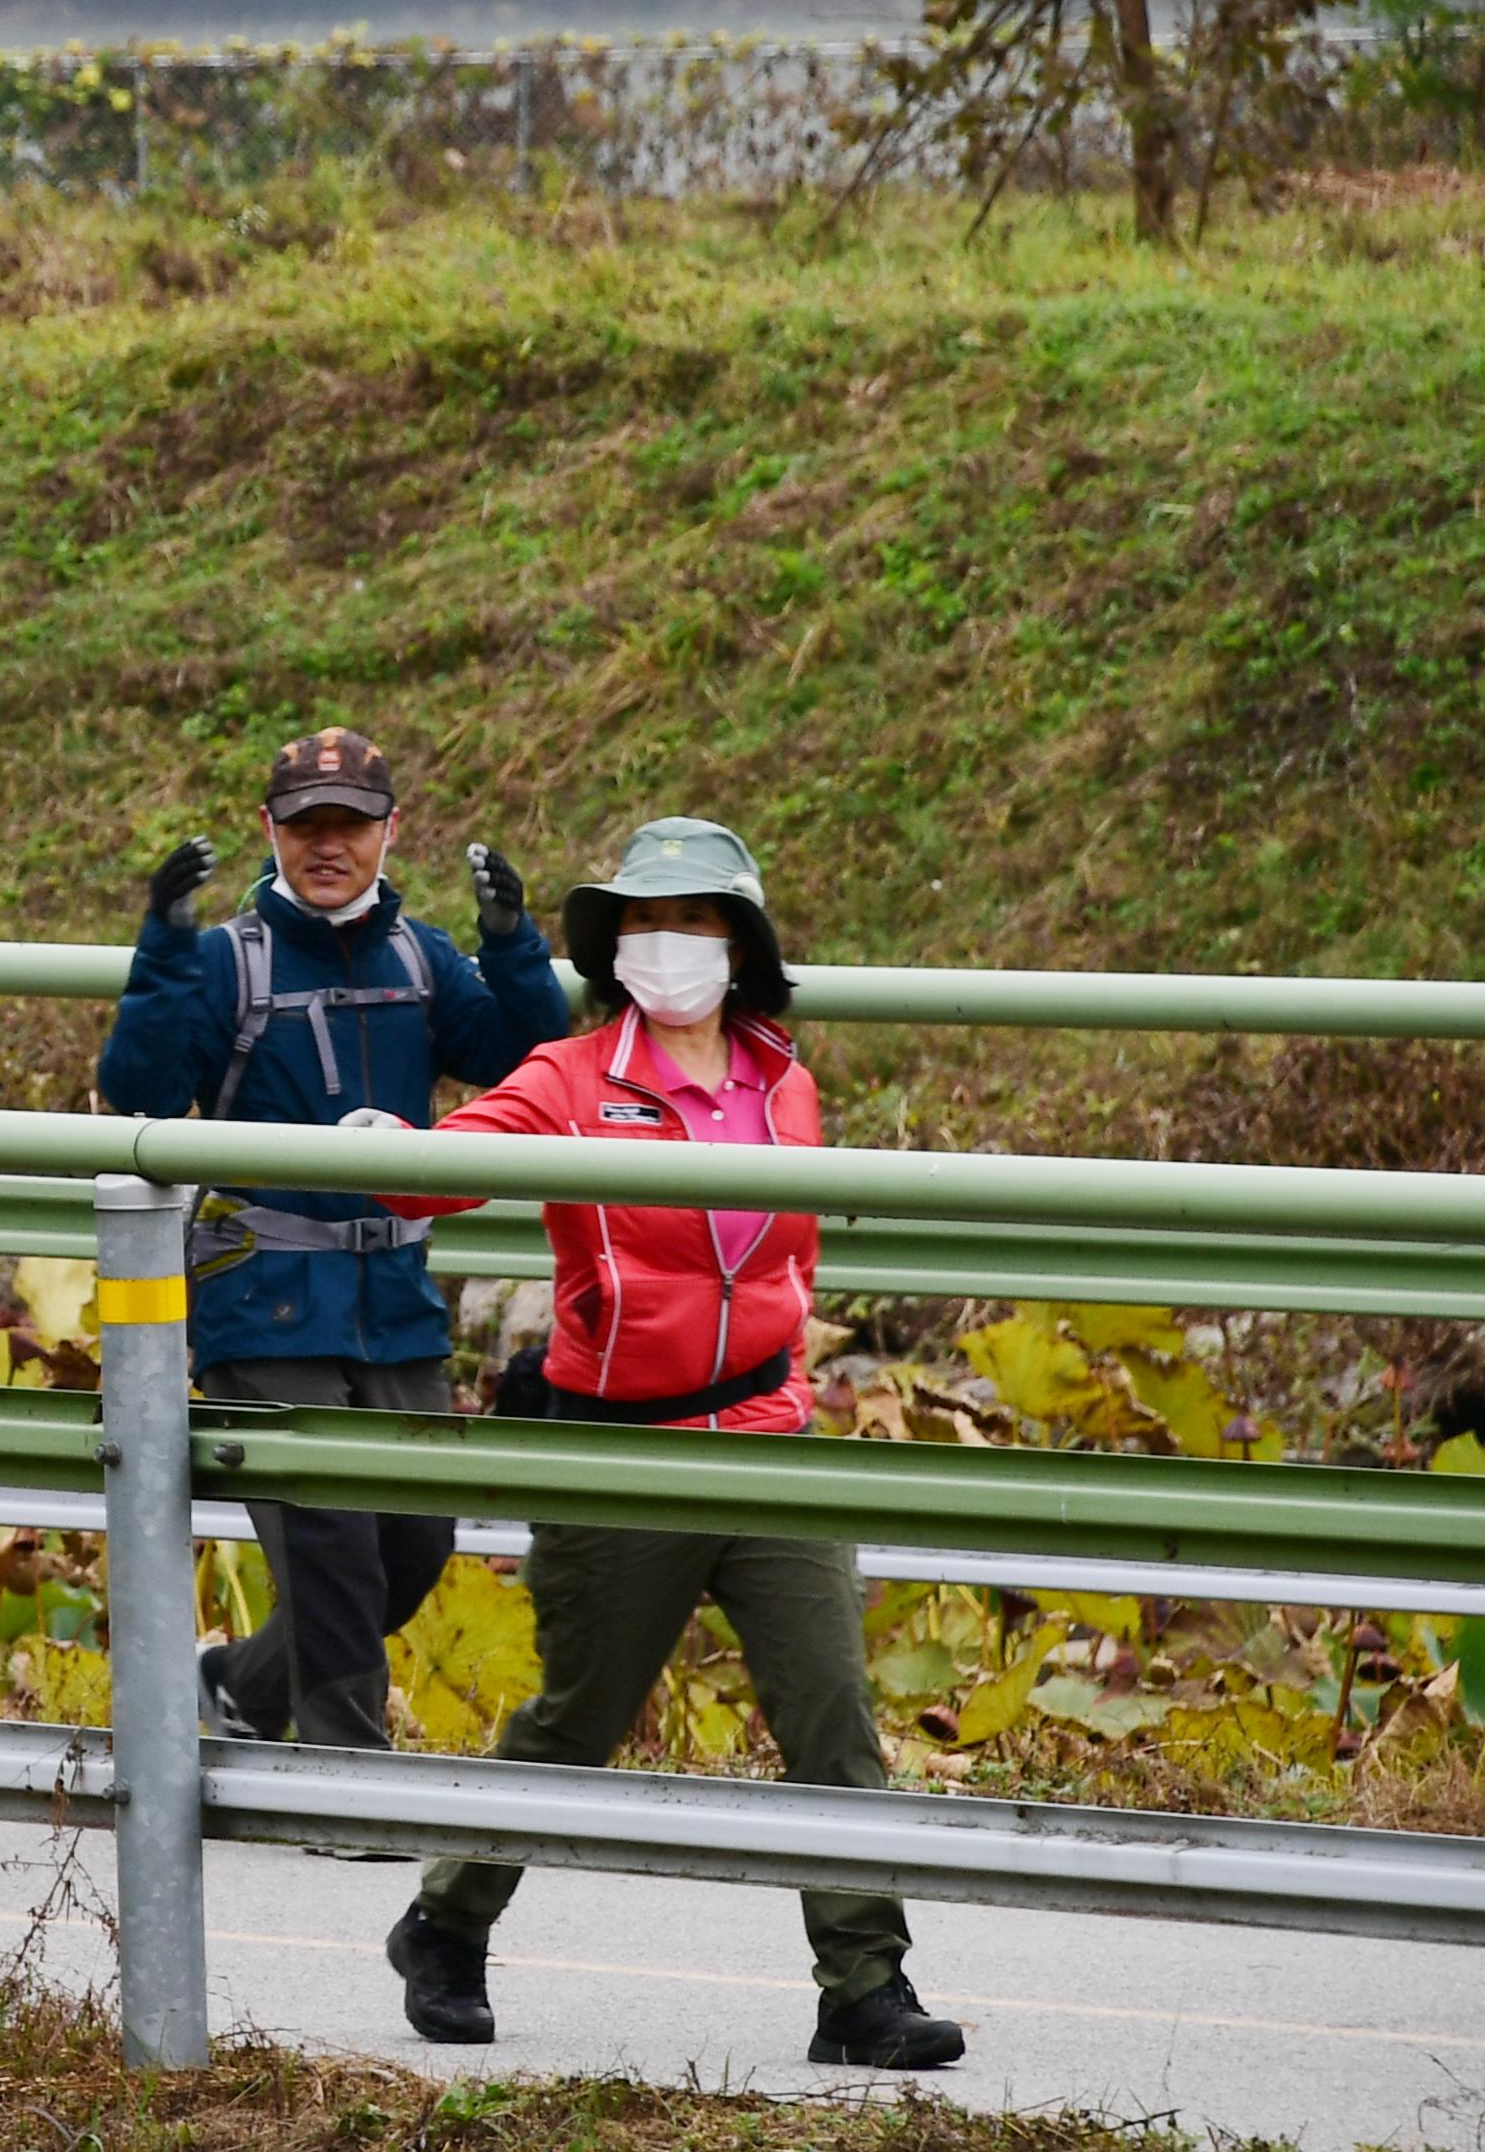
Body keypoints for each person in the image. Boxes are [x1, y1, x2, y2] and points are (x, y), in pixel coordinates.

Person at [363, 816, 966, 2071]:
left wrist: (786, 1376)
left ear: (741, 944)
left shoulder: (784, 1080)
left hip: (768, 1432)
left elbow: (782, 1260)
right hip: (622, 1445)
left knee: (832, 1709)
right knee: (579, 1719)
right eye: (646, 920)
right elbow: (449, 1167)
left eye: (697, 919)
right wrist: (382, 1153)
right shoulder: (575, 1075)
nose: (671, 941)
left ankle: (864, 1986)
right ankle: (445, 1923)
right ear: (614, 945)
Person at [96, 729, 564, 1759]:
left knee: (414, 1546)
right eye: (306, 824)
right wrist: (165, 946)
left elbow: (526, 1062)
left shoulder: (420, 957)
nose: (328, 844)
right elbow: (136, 1091)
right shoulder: (227, 960)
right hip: (262, 1297)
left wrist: (512, 942)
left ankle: (239, 1684)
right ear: (271, 831)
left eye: (349, 822)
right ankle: (346, 1771)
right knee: (331, 1551)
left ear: (389, 831)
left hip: (394, 1298)